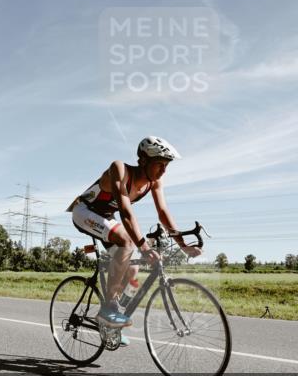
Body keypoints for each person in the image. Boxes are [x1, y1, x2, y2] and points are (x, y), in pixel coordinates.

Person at [67, 136, 201, 334]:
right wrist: (145, 247)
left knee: (132, 270)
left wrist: (183, 245)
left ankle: (110, 328)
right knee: (128, 241)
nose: (163, 171)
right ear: (144, 160)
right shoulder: (119, 169)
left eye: (166, 166)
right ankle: (108, 309)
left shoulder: (154, 182)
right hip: (85, 211)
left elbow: (163, 213)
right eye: (160, 165)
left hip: (106, 218)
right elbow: (125, 212)